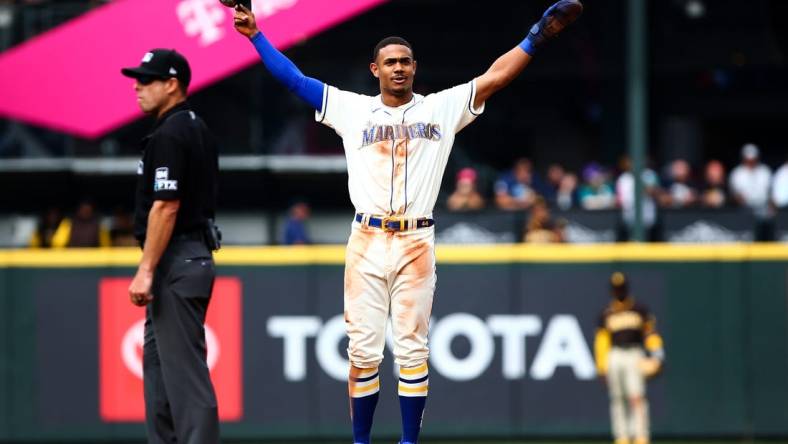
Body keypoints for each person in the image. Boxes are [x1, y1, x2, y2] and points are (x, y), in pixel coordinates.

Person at [232, 2, 583, 443]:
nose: (398, 68)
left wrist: (536, 37)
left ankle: (408, 442)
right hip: (366, 238)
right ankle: (361, 441)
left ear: (415, 68)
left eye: (404, 62)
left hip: (416, 239)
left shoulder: (440, 108)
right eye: (390, 63)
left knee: (413, 349)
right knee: (362, 351)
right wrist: (255, 36)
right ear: (374, 69)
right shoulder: (351, 109)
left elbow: (495, 77)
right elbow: (294, 80)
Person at [122, 48, 221, 444]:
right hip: (184, 257)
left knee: (185, 379)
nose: (137, 87)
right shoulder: (194, 127)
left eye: (147, 80)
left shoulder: (172, 132)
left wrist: (146, 269)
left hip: (176, 258)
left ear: (172, 84)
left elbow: (166, 204)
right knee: (161, 377)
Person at [594, 272, 665, 444]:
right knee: (617, 397)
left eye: (621, 288)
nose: (619, 292)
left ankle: (641, 436)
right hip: (615, 355)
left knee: (637, 396)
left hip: (634, 354)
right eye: (616, 289)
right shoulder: (607, 313)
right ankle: (622, 437)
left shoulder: (639, 309)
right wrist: (602, 367)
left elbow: (651, 334)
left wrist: (657, 356)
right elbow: (602, 343)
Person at [729, 143, 772, 216]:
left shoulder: (765, 171)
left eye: (753, 159)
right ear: (743, 158)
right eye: (748, 159)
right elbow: (736, 195)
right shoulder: (736, 173)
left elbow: (770, 193)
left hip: (764, 209)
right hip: (743, 210)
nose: (751, 162)